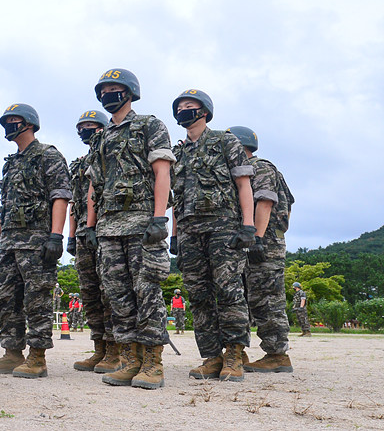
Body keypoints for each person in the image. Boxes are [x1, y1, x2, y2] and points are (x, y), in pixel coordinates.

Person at [85, 69, 175, 390]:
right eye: (104, 89)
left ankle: (152, 362)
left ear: (129, 92)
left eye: (114, 88)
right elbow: (94, 185)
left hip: (142, 221)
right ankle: (128, 358)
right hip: (109, 226)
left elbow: (161, 171)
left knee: (146, 289)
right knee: (117, 293)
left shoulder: (150, 125)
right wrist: (90, 225)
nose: (108, 93)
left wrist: (159, 217)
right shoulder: (101, 137)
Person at [0, 103, 71, 379]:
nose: (9, 126)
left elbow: (60, 196)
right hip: (9, 241)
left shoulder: (48, 156)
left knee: (37, 299)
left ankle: (37, 357)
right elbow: (5, 205)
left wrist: (56, 236)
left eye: (14, 120)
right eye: (6, 121)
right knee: (6, 298)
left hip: (37, 241)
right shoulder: (11, 163)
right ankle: (12, 353)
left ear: (29, 123)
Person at [171, 90, 256, 382]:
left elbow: (243, 183)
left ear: (204, 111)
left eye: (189, 106)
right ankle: (211, 356)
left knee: (229, 290)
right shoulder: (178, 152)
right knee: (198, 295)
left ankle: (234, 354)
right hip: (190, 232)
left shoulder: (225, 141)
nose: (183, 111)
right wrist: (174, 234)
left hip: (223, 228)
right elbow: (176, 197)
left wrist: (248, 225)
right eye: (179, 107)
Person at [227, 126, 295, 373]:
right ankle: (238, 351)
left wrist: (257, 237)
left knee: (267, 298)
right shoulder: (240, 171)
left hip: (264, 243)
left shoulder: (261, 167)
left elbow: (264, 203)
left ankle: (277, 354)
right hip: (248, 242)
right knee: (243, 297)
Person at [67, 109, 120, 373]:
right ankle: (99, 348)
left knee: (110, 291)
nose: (85, 130)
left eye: (91, 125)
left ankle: (115, 350)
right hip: (82, 234)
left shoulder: (109, 155)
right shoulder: (77, 164)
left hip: (107, 228)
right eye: (82, 126)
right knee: (89, 293)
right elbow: (72, 204)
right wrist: (70, 234)